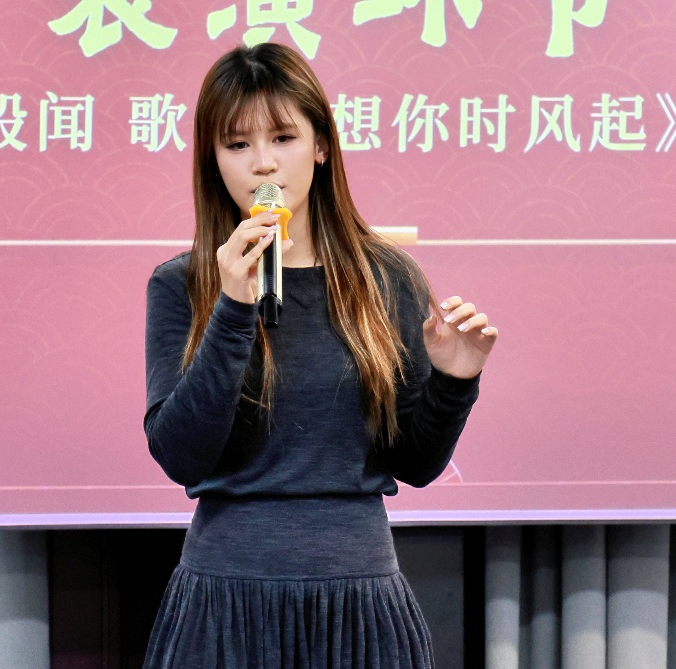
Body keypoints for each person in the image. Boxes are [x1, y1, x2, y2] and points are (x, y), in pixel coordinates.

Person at [142, 41, 497, 669]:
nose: (263, 163)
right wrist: (232, 307)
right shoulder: (183, 284)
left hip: (358, 600)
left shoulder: (386, 278)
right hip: (225, 602)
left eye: (283, 138)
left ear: (322, 146)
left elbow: (416, 464)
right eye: (237, 145)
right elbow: (180, 454)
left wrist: (454, 380)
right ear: (212, 160)